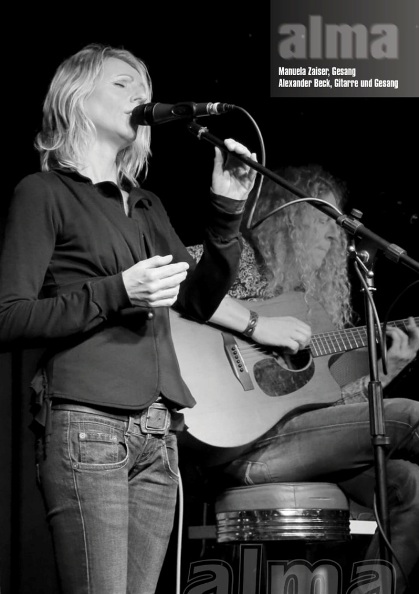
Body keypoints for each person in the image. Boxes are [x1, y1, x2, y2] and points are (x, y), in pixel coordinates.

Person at [0, 42, 270, 594]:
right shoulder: (44, 193)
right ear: (76, 96)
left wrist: (226, 212)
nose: (139, 95)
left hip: (158, 431)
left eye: (144, 88)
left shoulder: (146, 205)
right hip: (88, 422)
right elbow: (10, 319)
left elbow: (198, 299)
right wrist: (117, 291)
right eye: (121, 83)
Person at [187, 164, 419, 593]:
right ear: (288, 218)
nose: (336, 234)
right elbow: (173, 285)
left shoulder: (314, 310)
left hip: (298, 444)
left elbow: (336, 412)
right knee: (412, 416)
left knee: (412, 485)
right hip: (235, 445)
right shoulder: (235, 260)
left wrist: (389, 368)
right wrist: (255, 325)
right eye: (324, 219)